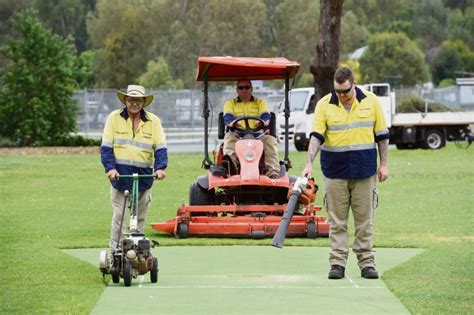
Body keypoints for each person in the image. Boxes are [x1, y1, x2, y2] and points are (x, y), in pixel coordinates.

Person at [302, 67, 389, 280]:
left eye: (346, 91)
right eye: (338, 92)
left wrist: (384, 164)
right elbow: (316, 136)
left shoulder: (372, 101)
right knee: (337, 221)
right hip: (335, 172)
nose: (342, 96)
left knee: (364, 221)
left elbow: (382, 136)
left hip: (364, 170)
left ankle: (367, 263)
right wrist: (308, 163)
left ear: (354, 83)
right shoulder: (324, 104)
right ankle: (337, 263)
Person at [100, 85, 168, 254]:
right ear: (125, 100)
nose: (134, 104)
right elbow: (106, 147)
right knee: (119, 218)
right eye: (131, 100)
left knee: (139, 218)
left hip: (144, 177)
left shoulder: (154, 121)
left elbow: (160, 148)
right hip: (120, 177)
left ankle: (137, 253)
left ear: (144, 102)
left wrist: (160, 168)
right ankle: (115, 253)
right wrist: (110, 169)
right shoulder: (114, 118)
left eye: (138, 100)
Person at [223, 78, 280, 179]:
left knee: (270, 140)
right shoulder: (230, 104)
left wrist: (263, 122)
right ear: (237, 90)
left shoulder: (260, 103)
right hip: (238, 136)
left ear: (251, 89)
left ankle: (273, 172)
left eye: (247, 87)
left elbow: (266, 116)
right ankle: (230, 165)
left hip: (257, 136)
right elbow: (228, 118)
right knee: (228, 137)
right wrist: (232, 123)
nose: (244, 90)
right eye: (241, 87)